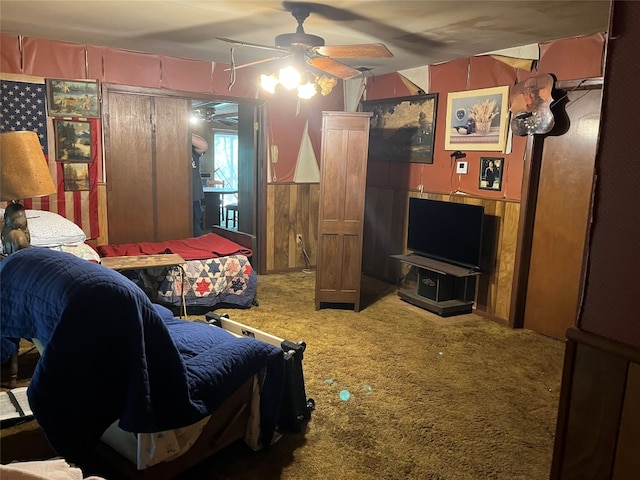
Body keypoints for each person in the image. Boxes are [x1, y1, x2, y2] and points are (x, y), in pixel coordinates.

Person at [191, 133, 208, 236]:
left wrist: (182, 129)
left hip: (194, 196)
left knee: (195, 229)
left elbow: (203, 146)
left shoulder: (193, 148)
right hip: (176, 198)